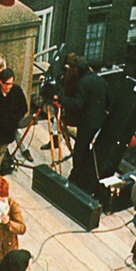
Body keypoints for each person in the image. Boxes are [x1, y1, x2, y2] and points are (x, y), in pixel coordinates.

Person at [56, 58, 109, 193]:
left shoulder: (83, 83)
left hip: (87, 122)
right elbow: (109, 100)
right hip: (98, 121)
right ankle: (81, 174)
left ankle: (75, 177)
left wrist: (61, 100)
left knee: (80, 149)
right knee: (84, 148)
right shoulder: (100, 80)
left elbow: (77, 104)